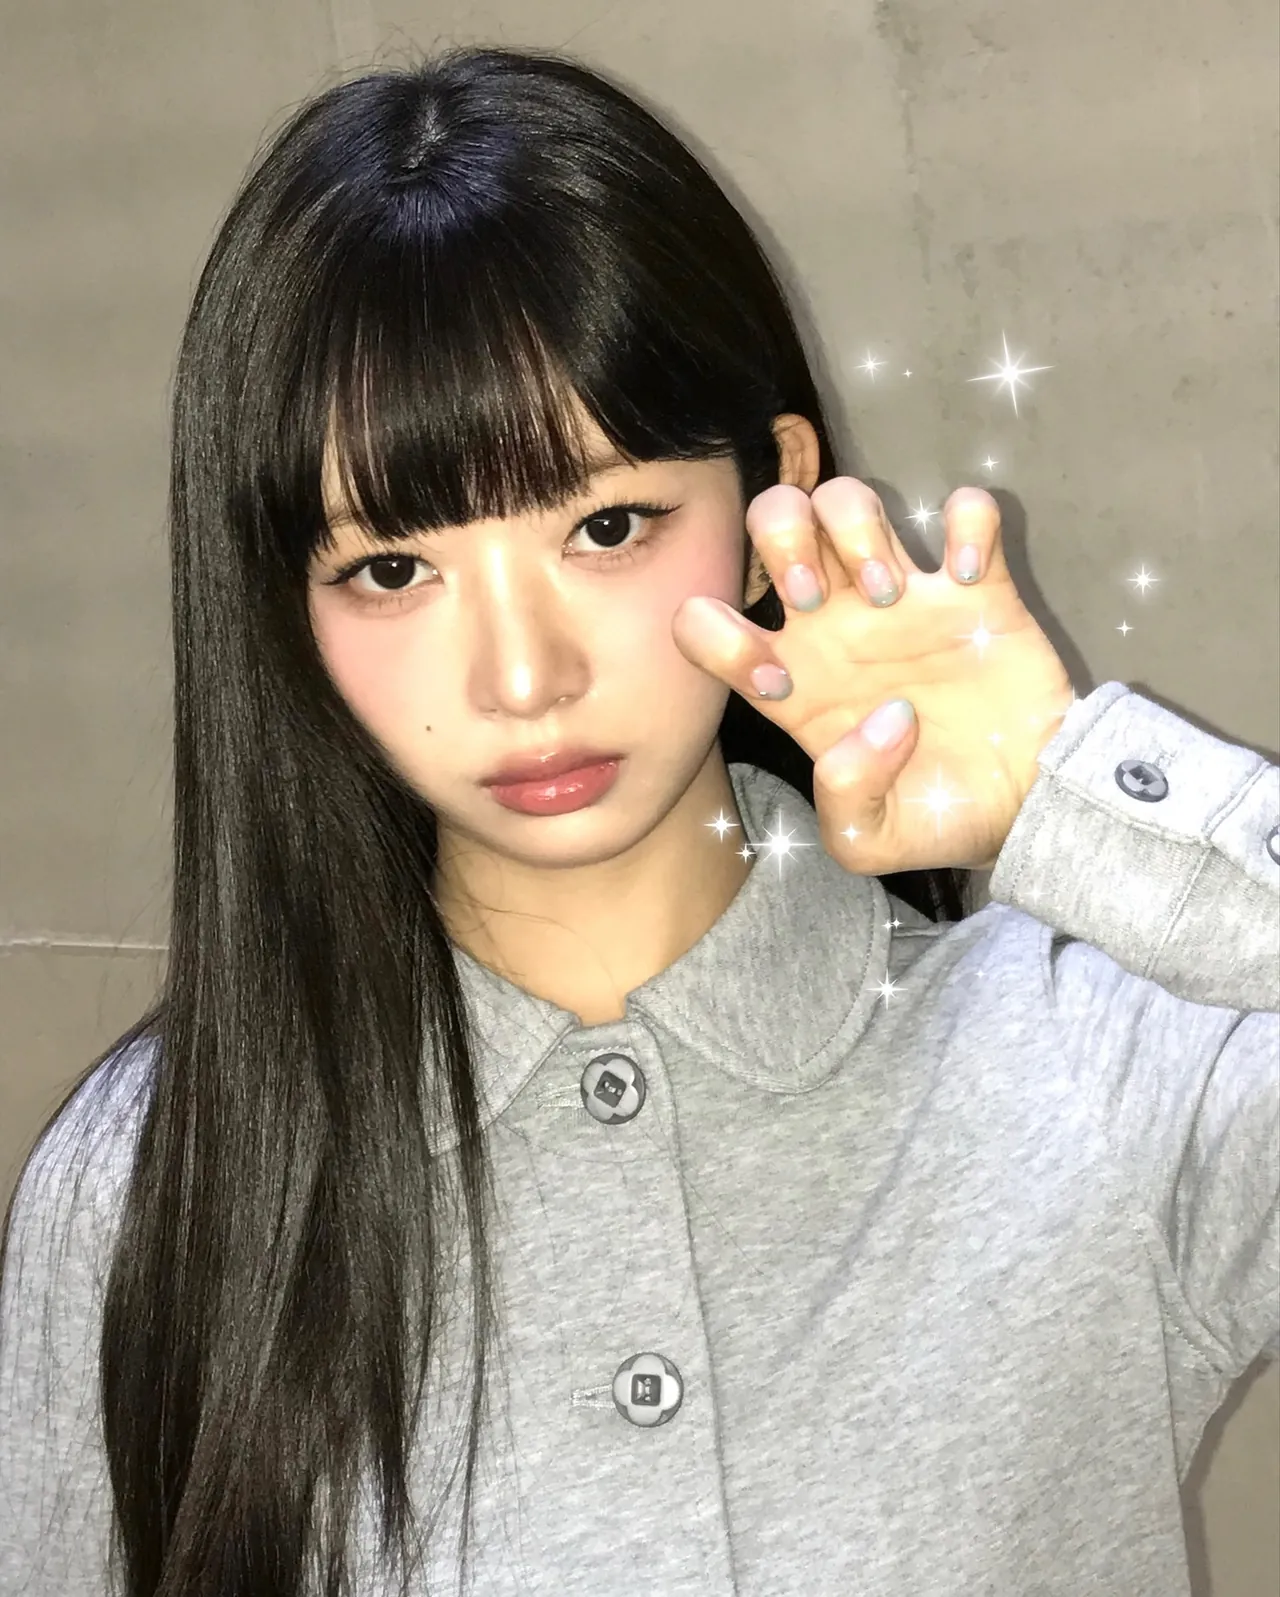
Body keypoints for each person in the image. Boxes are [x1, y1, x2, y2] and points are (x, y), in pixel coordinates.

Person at [0, 43, 1276, 1597]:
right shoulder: (155, 1184)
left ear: (770, 498)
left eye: (607, 526)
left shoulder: (1090, 1073)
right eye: (393, 570)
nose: (522, 677)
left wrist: (1070, 783)